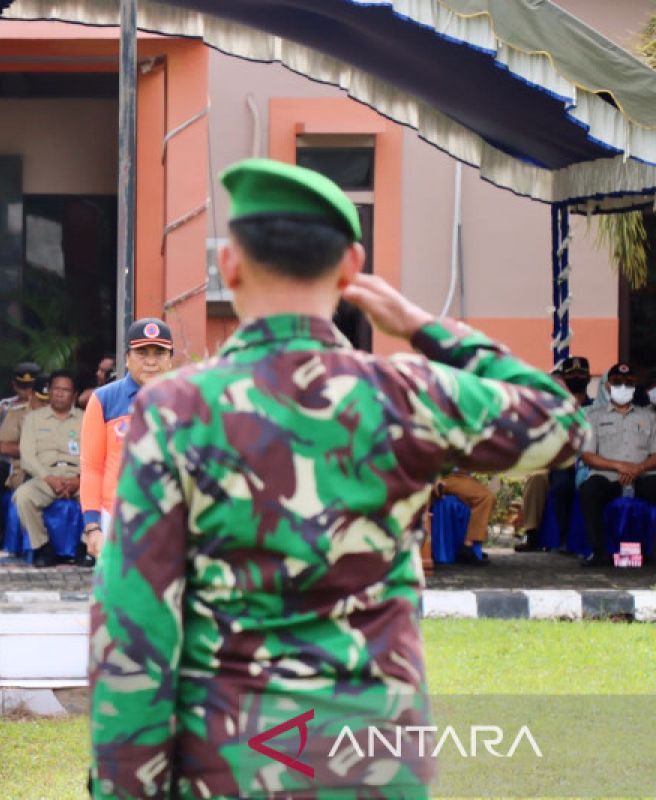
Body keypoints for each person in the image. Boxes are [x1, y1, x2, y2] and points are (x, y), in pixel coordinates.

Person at [87, 159, 588, 798]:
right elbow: (562, 425)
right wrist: (425, 329)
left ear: (232, 265)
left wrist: (125, 788)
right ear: (351, 270)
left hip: (230, 767)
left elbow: (135, 624)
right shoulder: (406, 396)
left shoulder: (176, 411)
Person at [81, 319, 174, 560]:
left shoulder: (186, 399)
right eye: (142, 353)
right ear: (127, 357)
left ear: (170, 358)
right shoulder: (104, 399)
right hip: (116, 517)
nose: (151, 361)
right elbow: (92, 467)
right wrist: (93, 527)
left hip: (170, 518)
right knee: (119, 596)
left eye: (159, 353)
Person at [578, 362, 656, 567]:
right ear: (607, 386)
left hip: (644, 476)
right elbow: (587, 455)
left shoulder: (649, 417)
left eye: (629, 383)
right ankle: (599, 552)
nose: (623, 387)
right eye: (617, 382)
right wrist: (619, 466)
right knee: (589, 490)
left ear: (635, 386)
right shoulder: (593, 416)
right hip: (607, 476)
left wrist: (637, 469)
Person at [515, 356, 594, 552]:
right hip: (561, 461)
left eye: (581, 374)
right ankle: (533, 535)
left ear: (589, 378)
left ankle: (571, 539)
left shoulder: (596, 407)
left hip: (591, 462)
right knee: (541, 480)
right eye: (572, 375)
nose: (577, 377)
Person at [13, 370, 84, 568]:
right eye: (55, 389)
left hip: (79, 477)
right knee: (23, 496)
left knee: (103, 496)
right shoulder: (33, 419)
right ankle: (43, 547)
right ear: (49, 391)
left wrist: (79, 479)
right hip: (44, 478)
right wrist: (49, 478)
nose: (60, 394)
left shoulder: (86, 419)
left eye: (65, 390)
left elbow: (95, 456)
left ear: (74, 395)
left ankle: (86, 547)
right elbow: (27, 457)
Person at [0, 361, 38, 550]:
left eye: (31, 387)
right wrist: (13, 422)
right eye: (22, 386)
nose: (26, 392)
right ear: (14, 385)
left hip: (39, 463)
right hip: (9, 463)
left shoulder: (46, 407)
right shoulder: (3, 408)